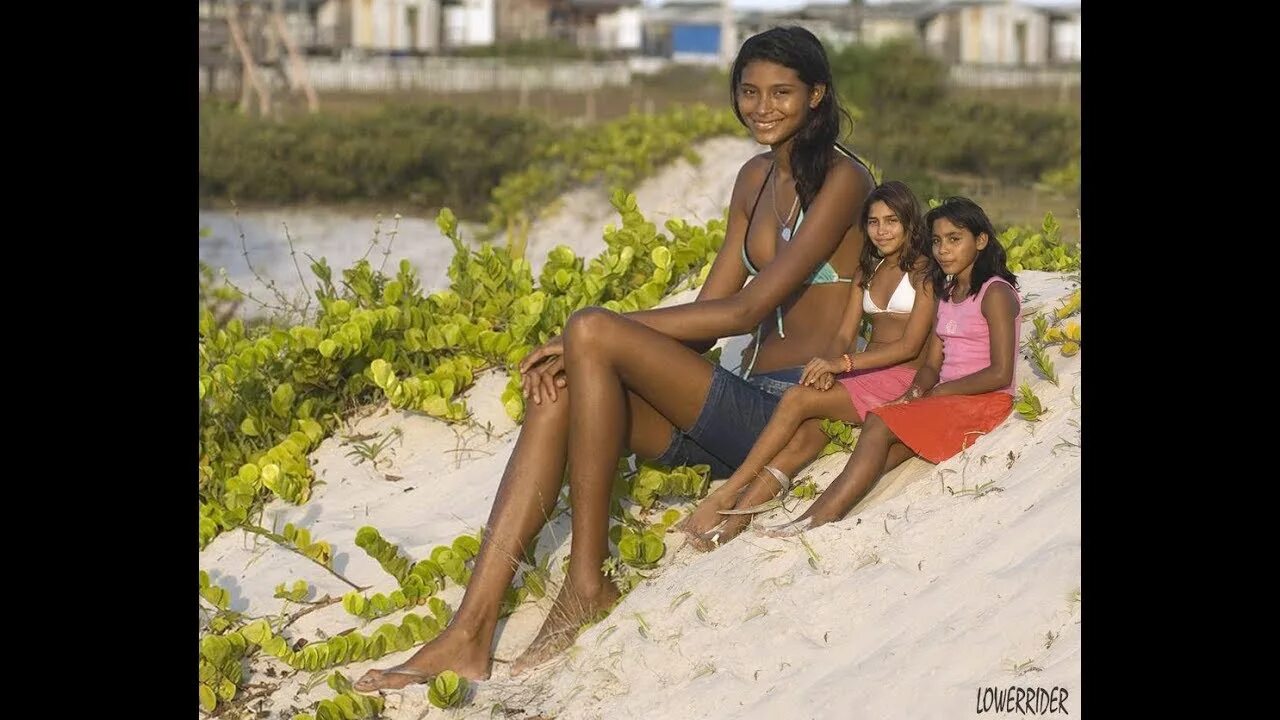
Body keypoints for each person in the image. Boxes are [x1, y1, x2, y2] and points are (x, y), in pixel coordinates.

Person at [353, 25, 875, 691]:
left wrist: (599, 334)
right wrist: (595, 356)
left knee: (589, 330)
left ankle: (585, 582)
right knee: (562, 390)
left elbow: (747, 310)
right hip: (727, 414)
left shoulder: (844, 179)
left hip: (786, 414)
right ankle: (469, 631)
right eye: (749, 91)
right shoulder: (752, 179)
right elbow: (707, 318)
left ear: (817, 95)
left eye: (782, 92)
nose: (762, 106)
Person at [680, 180, 938, 551]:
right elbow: (844, 334)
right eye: (873, 222)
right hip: (865, 373)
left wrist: (843, 363)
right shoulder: (868, 270)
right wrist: (830, 365)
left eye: (891, 221)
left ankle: (725, 495)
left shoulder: (924, 273)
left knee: (796, 400)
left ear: (910, 223)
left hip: (903, 377)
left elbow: (910, 345)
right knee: (806, 435)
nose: (882, 231)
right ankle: (733, 525)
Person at [766, 196, 1022, 536]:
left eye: (954, 239)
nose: (943, 249)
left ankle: (818, 517)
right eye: (937, 241)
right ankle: (815, 517)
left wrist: (941, 392)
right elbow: (932, 364)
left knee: (878, 423)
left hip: (984, 403)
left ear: (981, 240)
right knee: (885, 446)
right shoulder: (946, 294)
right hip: (949, 400)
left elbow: (1001, 373)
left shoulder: (995, 293)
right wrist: (915, 392)